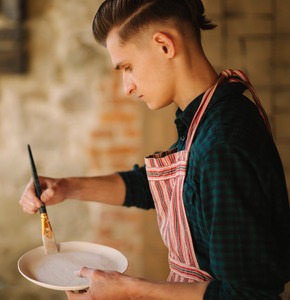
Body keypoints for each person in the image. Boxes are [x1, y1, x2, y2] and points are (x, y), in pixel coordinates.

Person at [19, 0, 290, 299]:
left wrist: (128, 290)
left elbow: (248, 295)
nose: (127, 87)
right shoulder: (210, 116)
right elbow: (166, 190)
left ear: (163, 45)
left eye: (128, 67)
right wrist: (66, 187)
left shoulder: (221, 144)